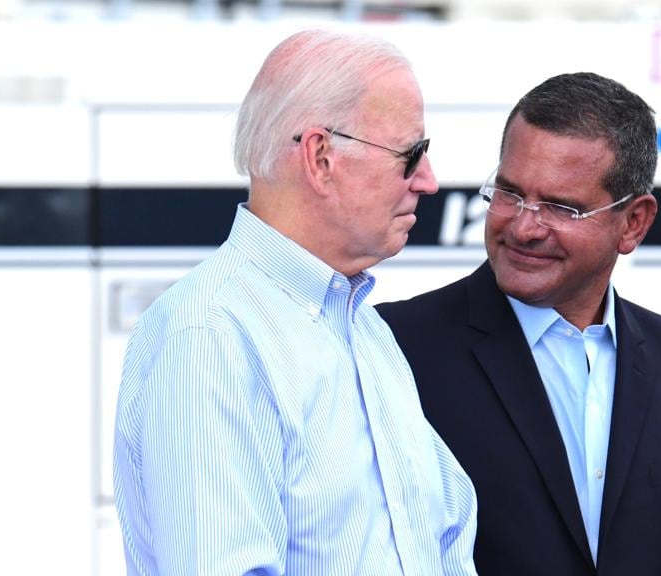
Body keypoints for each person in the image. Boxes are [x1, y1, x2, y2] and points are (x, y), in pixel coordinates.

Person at [377, 72, 661, 575]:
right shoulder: (392, 349)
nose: (524, 226)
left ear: (634, 222)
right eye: (510, 193)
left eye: (561, 208)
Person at [112, 29, 477, 576]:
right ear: (320, 156)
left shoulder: (365, 331)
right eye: (411, 155)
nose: (428, 181)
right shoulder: (211, 337)